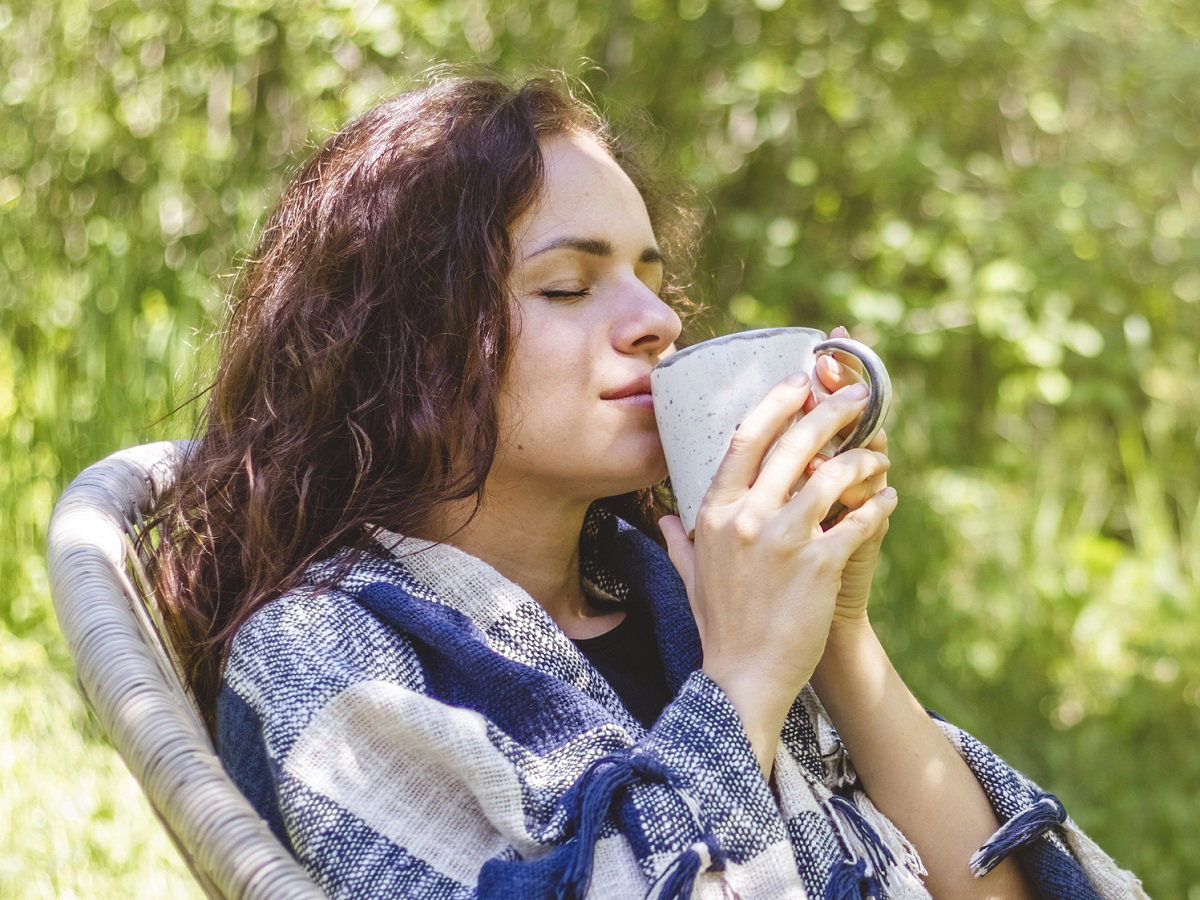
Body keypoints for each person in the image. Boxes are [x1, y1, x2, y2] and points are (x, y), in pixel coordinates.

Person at [150, 74, 1144, 898]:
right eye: (570, 287)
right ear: (405, 341)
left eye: (651, 281)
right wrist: (743, 685)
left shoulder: (672, 587)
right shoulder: (327, 655)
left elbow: (1004, 889)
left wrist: (835, 632)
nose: (656, 323)